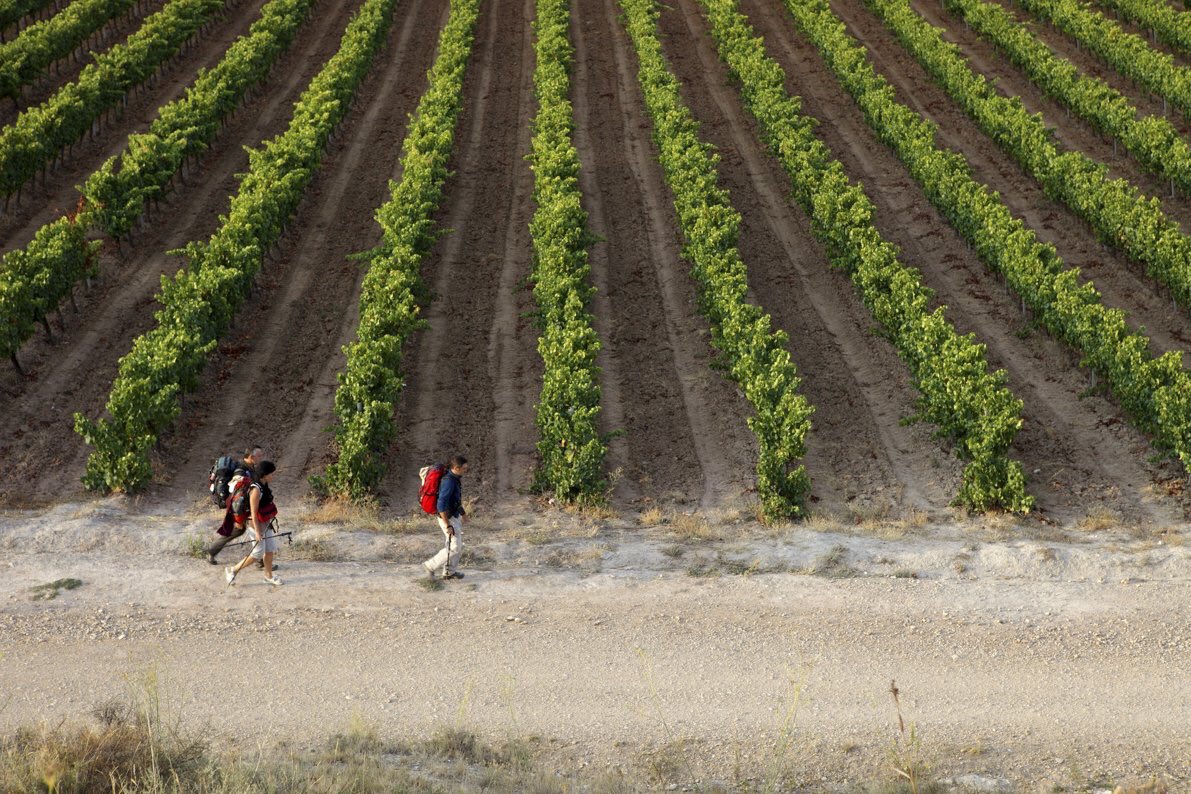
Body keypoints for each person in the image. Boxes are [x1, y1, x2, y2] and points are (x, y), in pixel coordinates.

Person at [225, 461, 282, 586]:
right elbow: (253, 512)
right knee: (257, 553)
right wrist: (257, 532)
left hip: (265, 522)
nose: (273, 476)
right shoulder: (255, 489)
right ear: (264, 475)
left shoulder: (264, 484)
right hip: (255, 524)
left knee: (270, 548)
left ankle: (268, 576)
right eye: (271, 474)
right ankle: (232, 570)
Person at [207, 446, 265, 565]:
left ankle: (212, 551)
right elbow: (236, 490)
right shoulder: (241, 470)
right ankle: (261, 560)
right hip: (240, 507)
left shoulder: (250, 467)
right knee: (253, 529)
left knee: (240, 530)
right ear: (251, 457)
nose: (261, 458)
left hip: (243, 507)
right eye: (259, 456)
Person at [422, 455, 468, 580]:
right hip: (447, 518)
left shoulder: (455, 478)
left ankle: (449, 572)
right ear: (456, 468)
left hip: (453, 516)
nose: (465, 471)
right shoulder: (449, 481)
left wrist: (463, 514)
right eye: (464, 468)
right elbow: (441, 505)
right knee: (454, 546)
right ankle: (429, 566)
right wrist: (447, 524)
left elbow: (455, 500)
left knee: (455, 544)